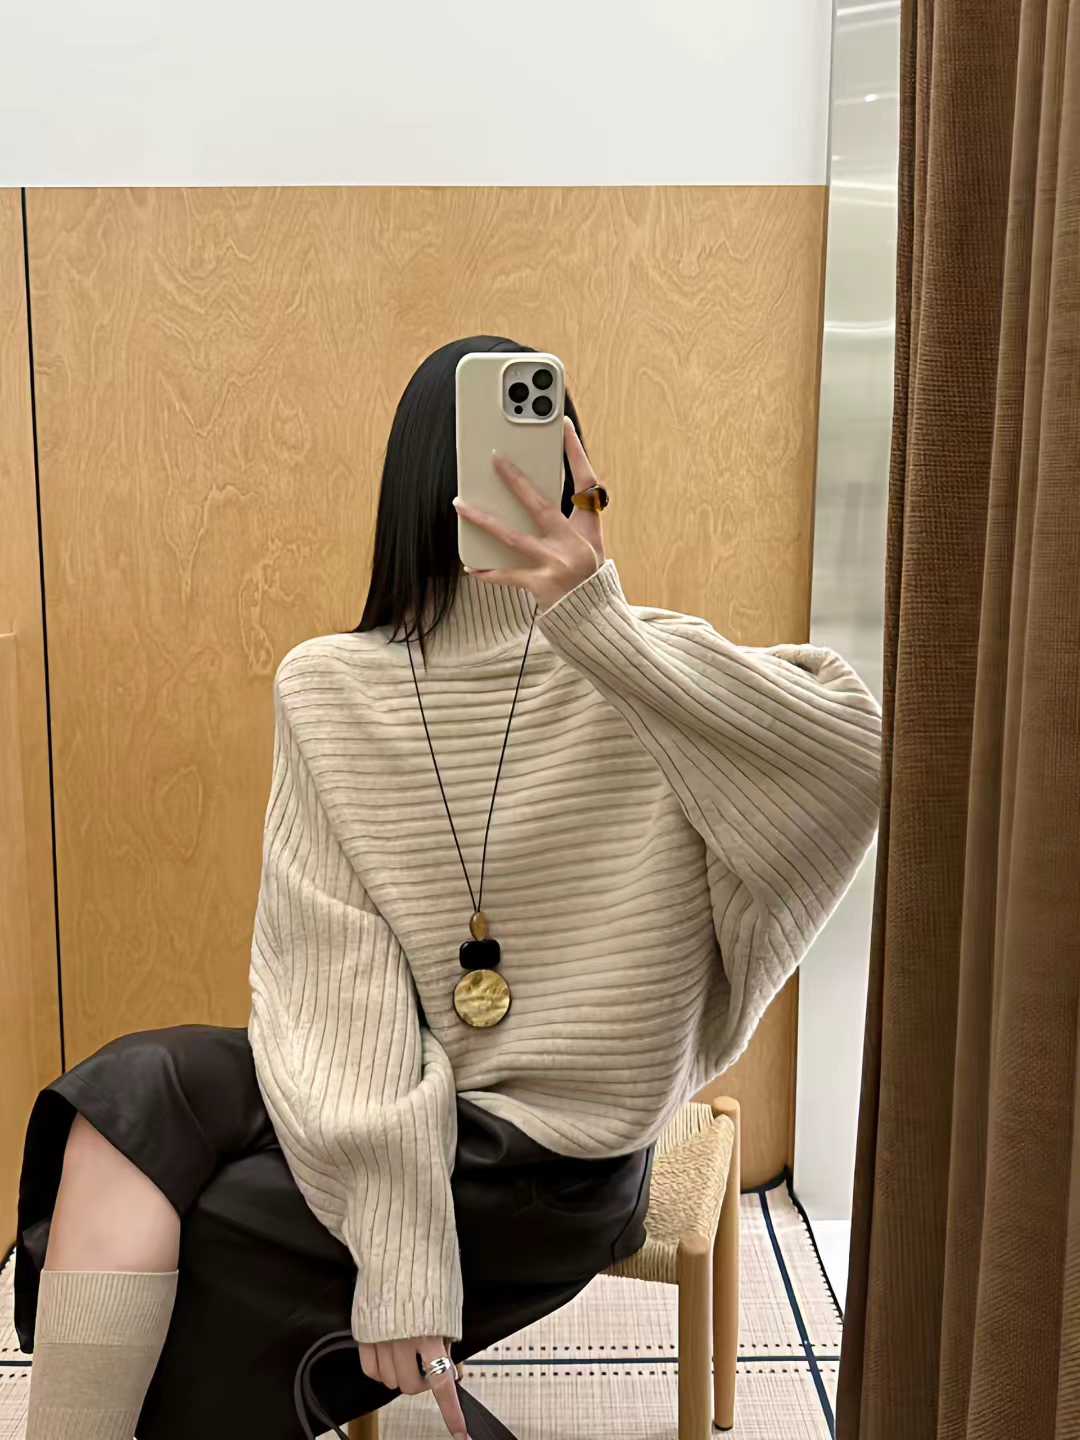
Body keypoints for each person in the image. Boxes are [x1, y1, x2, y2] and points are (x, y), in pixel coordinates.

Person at [13, 334, 883, 1440]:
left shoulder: (643, 668)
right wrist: (396, 1231)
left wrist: (599, 624)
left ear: (579, 479)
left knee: (205, 1234)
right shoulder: (330, 688)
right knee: (126, 1101)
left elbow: (851, 764)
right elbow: (338, 976)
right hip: (397, 1090)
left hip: (555, 1166)